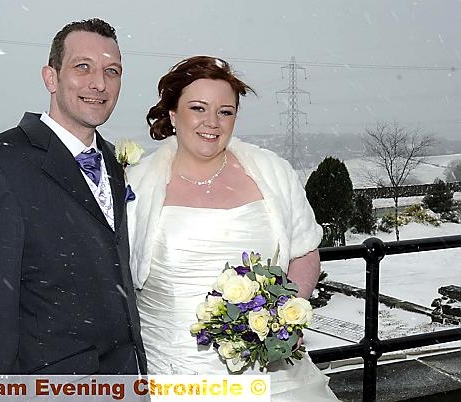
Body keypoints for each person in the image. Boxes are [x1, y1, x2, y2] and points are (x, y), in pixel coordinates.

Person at [127, 56, 338, 400]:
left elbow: (304, 251)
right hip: (175, 374)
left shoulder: (273, 173)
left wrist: (284, 315)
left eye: (225, 111)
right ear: (172, 114)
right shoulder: (137, 187)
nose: (212, 122)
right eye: (198, 108)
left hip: (271, 377)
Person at [0, 18, 146, 375]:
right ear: (51, 77)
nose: (99, 83)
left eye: (112, 71)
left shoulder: (119, 165)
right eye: (82, 67)